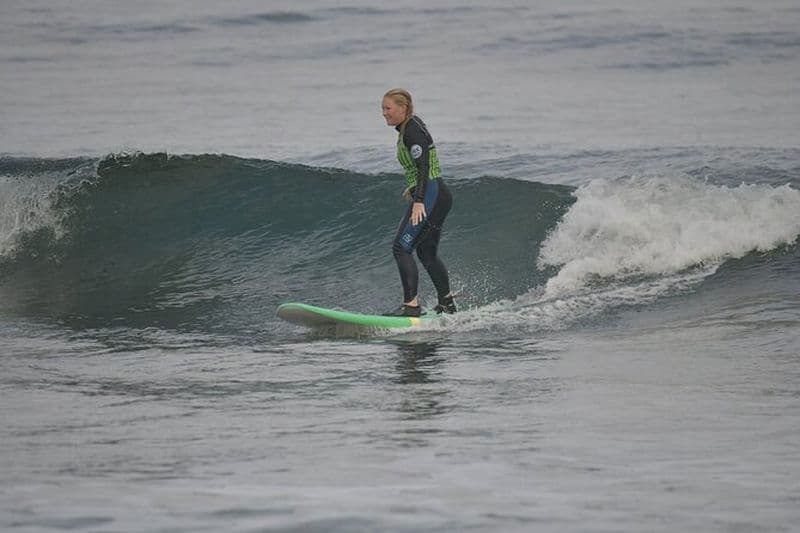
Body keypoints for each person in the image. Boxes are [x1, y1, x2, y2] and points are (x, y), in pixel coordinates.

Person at [381, 88, 457, 317]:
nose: (384, 113)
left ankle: (411, 306)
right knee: (426, 253)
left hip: (432, 194)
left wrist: (419, 200)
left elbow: (424, 166)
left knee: (401, 248)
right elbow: (420, 166)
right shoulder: (410, 126)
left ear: (403, 108)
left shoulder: (411, 130)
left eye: (388, 108)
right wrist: (413, 190)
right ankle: (447, 304)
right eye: (382, 109)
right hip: (436, 194)